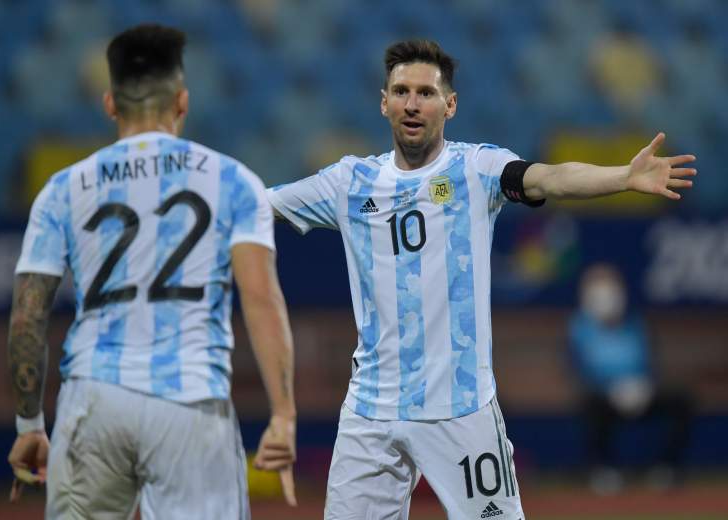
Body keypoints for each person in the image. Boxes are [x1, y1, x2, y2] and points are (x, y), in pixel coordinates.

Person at [266, 39, 696, 519]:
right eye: (401, 91)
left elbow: (549, 177)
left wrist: (622, 177)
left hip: (462, 407)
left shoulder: (477, 169)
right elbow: (257, 206)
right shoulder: (348, 183)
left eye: (426, 93)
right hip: (370, 411)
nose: (412, 104)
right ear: (383, 101)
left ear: (449, 105)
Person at [7, 24, 296, 519]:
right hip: (190, 400)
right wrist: (284, 415)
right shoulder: (233, 180)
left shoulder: (63, 189)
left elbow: (27, 316)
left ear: (109, 103)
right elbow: (261, 298)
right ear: (182, 102)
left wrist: (28, 424)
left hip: (93, 399)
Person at [570, 263, 693, 494]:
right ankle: (603, 471)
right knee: (591, 406)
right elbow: (581, 369)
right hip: (605, 396)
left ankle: (666, 468)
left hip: (641, 391)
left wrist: (642, 386)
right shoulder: (580, 327)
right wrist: (610, 388)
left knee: (681, 400)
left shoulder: (635, 323)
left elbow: (648, 363)